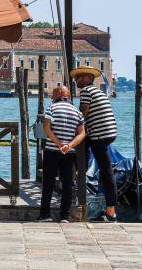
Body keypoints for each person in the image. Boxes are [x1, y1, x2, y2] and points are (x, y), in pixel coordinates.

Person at [73, 65, 118, 222]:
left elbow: (82, 115)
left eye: (78, 77)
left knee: (106, 172)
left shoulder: (86, 91)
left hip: (100, 134)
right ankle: (79, 172)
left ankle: (111, 212)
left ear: (86, 78)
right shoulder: (98, 91)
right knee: (104, 170)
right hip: (108, 133)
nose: (75, 79)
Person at [39, 85, 85, 222]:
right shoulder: (77, 112)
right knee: (67, 183)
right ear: (68, 97)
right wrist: (68, 145)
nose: (51, 97)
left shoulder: (51, 108)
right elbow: (82, 133)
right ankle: (64, 216)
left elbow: (46, 128)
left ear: (59, 95)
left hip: (52, 150)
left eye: (53, 94)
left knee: (48, 182)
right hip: (69, 152)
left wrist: (59, 144)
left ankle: (45, 215)